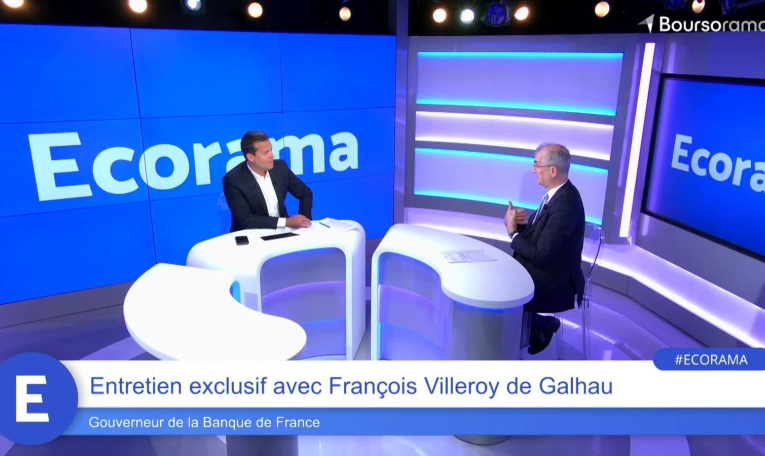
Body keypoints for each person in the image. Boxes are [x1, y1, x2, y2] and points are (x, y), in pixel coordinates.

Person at [504, 143, 586, 355]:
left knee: (502, 289)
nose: (533, 170)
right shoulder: (556, 195)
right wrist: (520, 227)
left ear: (553, 170)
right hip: (546, 267)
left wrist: (513, 233)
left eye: (536, 164)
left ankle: (538, 327)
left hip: (556, 281)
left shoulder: (566, 205)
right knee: (498, 278)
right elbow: (543, 239)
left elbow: (541, 255)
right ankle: (533, 327)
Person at [223, 131, 313, 231]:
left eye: (271, 150)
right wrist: (286, 222)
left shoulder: (280, 167)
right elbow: (246, 220)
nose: (272, 155)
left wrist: (304, 222)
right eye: (266, 152)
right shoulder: (233, 179)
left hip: (282, 231)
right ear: (250, 157)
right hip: (249, 234)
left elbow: (305, 193)